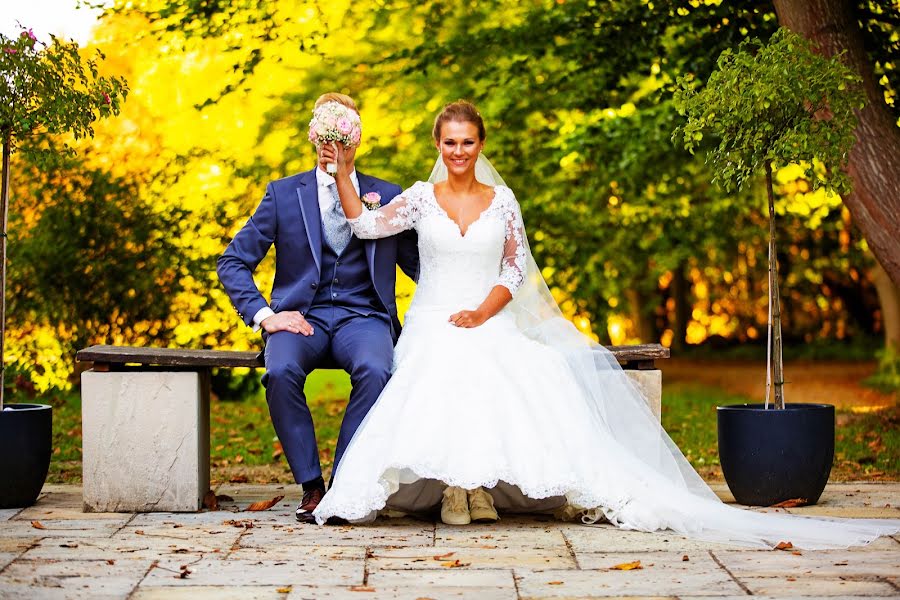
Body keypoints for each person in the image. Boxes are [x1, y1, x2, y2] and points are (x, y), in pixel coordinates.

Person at [309, 99, 898, 548]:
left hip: (487, 314)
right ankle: (457, 490)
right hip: (436, 317)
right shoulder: (419, 197)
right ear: (437, 145)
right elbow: (365, 227)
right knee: (443, 367)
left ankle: (482, 488)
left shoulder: (503, 200)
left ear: (480, 143)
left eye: (468, 142)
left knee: (520, 369)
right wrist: (344, 172)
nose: (459, 151)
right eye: (450, 143)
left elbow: (514, 271)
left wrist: (486, 312)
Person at [217, 93, 419, 524]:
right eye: (324, 132)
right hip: (299, 318)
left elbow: (421, 263)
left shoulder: (386, 195)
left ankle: (346, 482)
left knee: (377, 369)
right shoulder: (283, 194)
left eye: (340, 134)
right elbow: (232, 261)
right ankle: (311, 486)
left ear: (355, 140)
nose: (331, 143)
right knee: (280, 371)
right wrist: (266, 315)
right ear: (313, 134)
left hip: (363, 316)